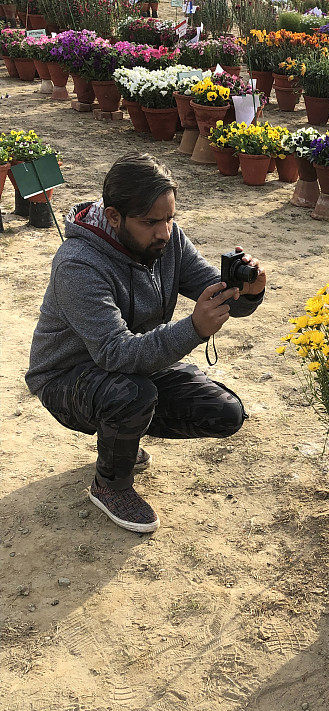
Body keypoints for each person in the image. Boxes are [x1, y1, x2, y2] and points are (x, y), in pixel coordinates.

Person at [25, 152, 265, 534]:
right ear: (114, 216)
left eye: (169, 218)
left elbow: (215, 292)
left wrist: (246, 290)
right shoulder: (78, 263)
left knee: (224, 413)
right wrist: (194, 329)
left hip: (135, 365)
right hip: (66, 376)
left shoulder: (168, 241)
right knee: (131, 395)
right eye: (150, 222)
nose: (164, 232)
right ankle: (110, 486)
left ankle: (121, 433)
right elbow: (115, 353)